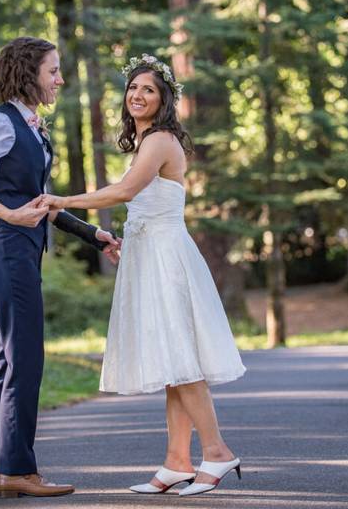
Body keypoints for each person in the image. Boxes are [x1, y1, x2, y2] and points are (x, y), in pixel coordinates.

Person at [43, 53, 246, 497]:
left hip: (167, 260)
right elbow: (141, 205)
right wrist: (126, 242)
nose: (138, 95)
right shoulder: (145, 142)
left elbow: (124, 192)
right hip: (147, 255)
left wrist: (60, 199)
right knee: (171, 362)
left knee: (183, 360)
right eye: (133, 88)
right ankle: (177, 462)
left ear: (164, 99)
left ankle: (217, 452)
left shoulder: (159, 140)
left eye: (149, 89)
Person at [0, 36, 121, 498]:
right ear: (29, 73)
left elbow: (43, 203)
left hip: (14, 250)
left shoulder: (31, 129)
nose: (60, 79)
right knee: (24, 358)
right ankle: (19, 471)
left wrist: (93, 235)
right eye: (53, 70)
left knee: (4, 359)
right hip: (5, 248)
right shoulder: (1, 124)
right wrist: (9, 215)